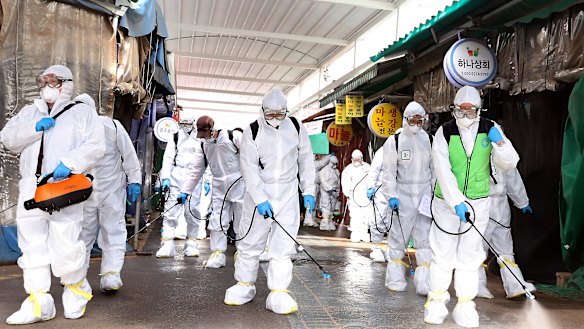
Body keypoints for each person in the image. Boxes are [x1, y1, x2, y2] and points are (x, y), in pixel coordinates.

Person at [0, 65, 105, 324]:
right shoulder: (29, 111)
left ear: (66, 84)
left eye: (53, 81)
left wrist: (70, 163)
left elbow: (96, 145)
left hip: (64, 186)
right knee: (31, 244)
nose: (47, 86)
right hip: (31, 187)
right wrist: (34, 128)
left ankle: (76, 291)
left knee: (66, 242)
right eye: (43, 81)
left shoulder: (82, 113)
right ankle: (39, 302)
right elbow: (8, 138)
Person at [424, 86, 520, 328]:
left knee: (470, 256)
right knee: (443, 253)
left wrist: (501, 145)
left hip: (478, 202)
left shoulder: (490, 129)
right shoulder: (444, 132)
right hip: (446, 204)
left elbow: (509, 164)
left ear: (479, 109)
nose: (466, 114)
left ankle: (465, 305)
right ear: (454, 109)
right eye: (461, 109)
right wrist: (456, 201)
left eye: (471, 109)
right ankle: (436, 302)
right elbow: (442, 170)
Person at [224, 88, 315, 314]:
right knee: (250, 243)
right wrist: (260, 199)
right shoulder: (252, 131)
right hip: (259, 196)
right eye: (270, 114)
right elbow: (248, 169)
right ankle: (244, 285)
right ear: (262, 110)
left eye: (279, 114)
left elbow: (306, 160)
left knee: (283, 245)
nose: (275, 118)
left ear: (286, 111)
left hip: (288, 195)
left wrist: (309, 190)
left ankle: (279, 292)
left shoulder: (296, 127)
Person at [80, 103, 141, 292]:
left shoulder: (112, 126)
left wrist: (135, 180)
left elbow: (128, 154)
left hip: (111, 189)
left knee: (113, 231)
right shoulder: (74, 129)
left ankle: (111, 275)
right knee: (81, 235)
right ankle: (77, 276)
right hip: (83, 191)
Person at [381, 102, 433, 295]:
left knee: (425, 238)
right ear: (406, 119)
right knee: (397, 237)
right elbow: (388, 173)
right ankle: (394, 279)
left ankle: (424, 282)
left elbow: (434, 171)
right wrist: (392, 195)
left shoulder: (429, 140)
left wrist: (434, 195)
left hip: (424, 195)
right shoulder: (394, 141)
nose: (417, 123)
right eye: (413, 119)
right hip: (403, 194)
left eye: (420, 120)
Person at [179, 116, 244, 268]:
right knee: (217, 220)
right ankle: (218, 253)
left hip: (240, 183)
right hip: (219, 185)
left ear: (213, 129)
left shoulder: (233, 136)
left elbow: (251, 158)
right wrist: (185, 191)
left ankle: (242, 254)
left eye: (205, 134)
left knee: (241, 221)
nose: (204, 137)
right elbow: (196, 169)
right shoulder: (204, 145)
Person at [477, 168, 536, 299]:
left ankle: (515, 284)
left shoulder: (503, 150)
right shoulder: (475, 149)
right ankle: (476, 285)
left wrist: (522, 201)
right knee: (478, 246)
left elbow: (511, 174)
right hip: (480, 201)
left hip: (500, 203)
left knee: (504, 247)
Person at [156, 119, 203, 258]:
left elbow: (205, 159)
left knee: (192, 210)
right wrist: (165, 177)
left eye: (188, 124)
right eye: (183, 123)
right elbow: (168, 158)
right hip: (177, 175)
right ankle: (167, 244)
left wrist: (206, 178)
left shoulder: (200, 138)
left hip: (194, 176)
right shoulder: (175, 136)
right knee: (171, 210)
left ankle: (191, 243)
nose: (186, 126)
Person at [341, 149, 372, 243]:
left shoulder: (368, 167)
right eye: (355, 160)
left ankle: (364, 232)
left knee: (366, 215)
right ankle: (355, 233)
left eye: (358, 160)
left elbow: (372, 179)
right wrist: (348, 193)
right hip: (354, 195)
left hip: (365, 195)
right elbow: (345, 182)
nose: (357, 162)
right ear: (351, 159)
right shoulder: (348, 169)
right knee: (355, 215)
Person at [367, 147, 389, 262]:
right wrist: (371, 187)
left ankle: (393, 249)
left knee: (395, 221)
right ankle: (376, 247)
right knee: (379, 218)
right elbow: (374, 170)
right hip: (381, 190)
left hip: (399, 191)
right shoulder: (384, 151)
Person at [303, 154, 330, 227]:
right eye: (315, 156)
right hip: (312, 185)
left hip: (315, 185)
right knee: (310, 204)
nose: (317, 157)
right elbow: (322, 163)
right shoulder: (312, 164)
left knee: (314, 204)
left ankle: (311, 219)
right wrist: (329, 156)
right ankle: (308, 219)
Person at [319, 155, 340, 231]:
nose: (335, 165)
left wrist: (337, 191)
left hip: (333, 191)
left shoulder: (336, 171)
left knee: (332, 207)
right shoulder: (324, 170)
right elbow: (323, 181)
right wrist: (329, 188)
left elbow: (338, 182)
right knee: (326, 206)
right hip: (326, 191)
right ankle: (324, 223)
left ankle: (330, 222)